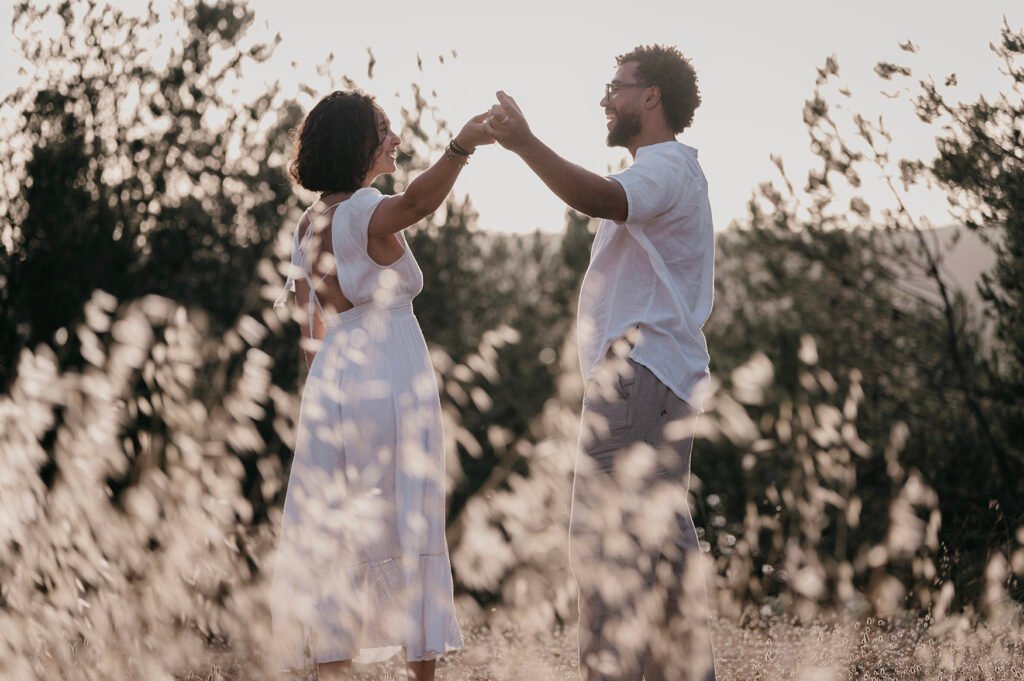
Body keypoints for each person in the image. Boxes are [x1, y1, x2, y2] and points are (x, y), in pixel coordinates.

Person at [485, 45, 718, 681]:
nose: (606, 99)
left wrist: (527, 145)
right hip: (659, 380)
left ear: (651, 97)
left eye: (617, 87)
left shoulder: (664, 168)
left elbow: (599, 197)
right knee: (661, 553)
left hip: (637, 380)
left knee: (607, 550)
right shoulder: (676, 171)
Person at [269, 90, 492, 681]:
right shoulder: (363, 209)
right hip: (388, 373)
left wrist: (318, 400)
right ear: (356, 145)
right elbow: (418, 201)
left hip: (334, 378)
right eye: (384, 129)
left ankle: (332, 668)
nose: (395, 138)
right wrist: (461, 146)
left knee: (338, 523)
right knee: (407, 511)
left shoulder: (308, 221)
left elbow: (307, 322)